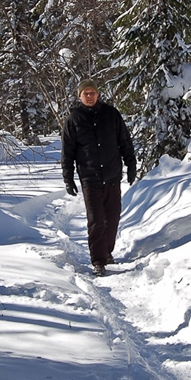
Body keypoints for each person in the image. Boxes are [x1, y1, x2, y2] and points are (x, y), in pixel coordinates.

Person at [61, 79, 137, 277]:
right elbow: (67, 152)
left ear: (97, 94)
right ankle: (98, 260)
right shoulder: (74, 119)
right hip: (90, 178)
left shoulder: (111, 114)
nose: (89, 96)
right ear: (79, 96)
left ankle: (107, 251)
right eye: (85, 93)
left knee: (112, 218)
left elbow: (125, 141)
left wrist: (131, 165)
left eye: (92, 92)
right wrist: (68, 178)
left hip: (112, 175)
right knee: (96, 220)